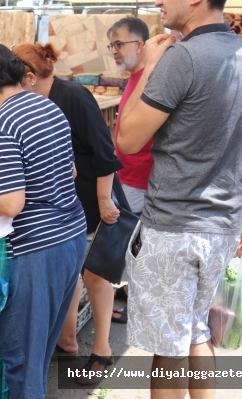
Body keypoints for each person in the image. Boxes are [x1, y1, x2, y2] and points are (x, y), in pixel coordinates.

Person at [117, 0, 242, 397]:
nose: (158, 1)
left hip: (172, 230)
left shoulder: (181, 58)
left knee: (168, 348)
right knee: (196, 330)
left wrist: (148, 67)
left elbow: (127, 139)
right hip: (221, 227)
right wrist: (240, 217)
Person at [0, 43, 87, 399]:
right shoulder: (47, 106)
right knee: (38, 355)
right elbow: (72, 171)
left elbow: (11, 204)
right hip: (71, 238)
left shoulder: (2, 122)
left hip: (36, 252)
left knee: (21, 363)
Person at [12, 43, 129, 384]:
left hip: (94, 198)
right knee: (72, 274)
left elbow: (104, 150)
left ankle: (103, 349)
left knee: (95, 275)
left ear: (30, 77)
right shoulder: (33, 103)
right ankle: (67, 339)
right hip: (64, 203)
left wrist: (106, 200)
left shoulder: (73, 96)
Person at [107, 17, 154, 303]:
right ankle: (131, 290)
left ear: (139, 44)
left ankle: (134, 294)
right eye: (111, 44)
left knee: (131, 244)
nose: (114, 50)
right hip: (126, 175)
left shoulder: (151, 77)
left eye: (119, 43)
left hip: (139, 177)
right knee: (132, 244)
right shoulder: (135, 77)